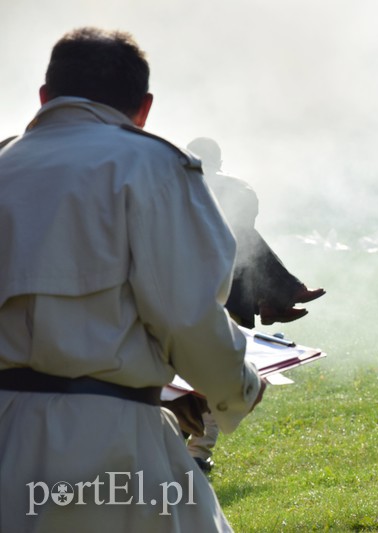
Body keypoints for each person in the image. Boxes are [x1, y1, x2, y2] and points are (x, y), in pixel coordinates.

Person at [0, 27, 267, 532]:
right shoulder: (153, 166)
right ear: (143, 108)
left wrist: (163, 394)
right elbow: (188, 317)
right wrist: (238, 388)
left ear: (44, 98)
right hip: (109, 443)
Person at [181, 137, 325, 474]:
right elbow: (244, 231)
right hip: (223, 299)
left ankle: (188, 450)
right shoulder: (233, 189)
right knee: (216, 379)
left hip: (189, 298)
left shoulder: (176, 189)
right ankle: (196, 453)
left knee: (191, 379)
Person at [186, 137, 324, 329]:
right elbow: (247, 219)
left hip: (202, 261)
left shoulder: (179, 180)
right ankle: (272, 298)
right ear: (219, 162)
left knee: (241, 244)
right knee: (244, 238)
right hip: (198, 268)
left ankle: (269, 299)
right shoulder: (233, 183)